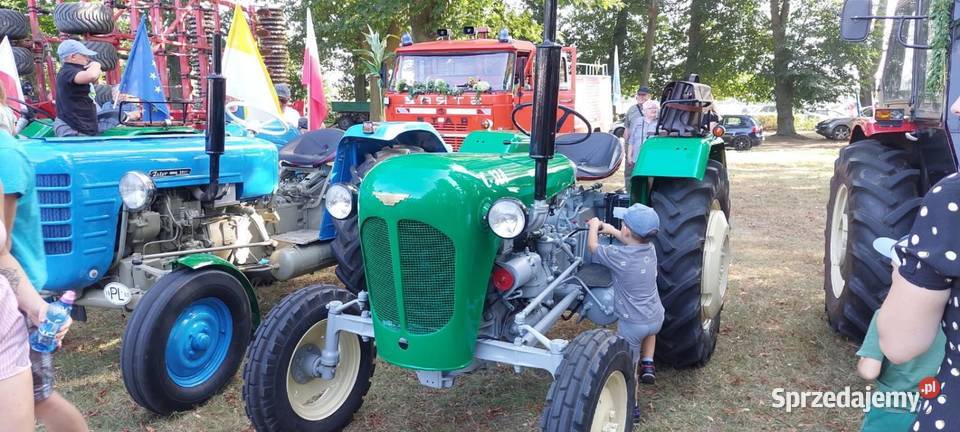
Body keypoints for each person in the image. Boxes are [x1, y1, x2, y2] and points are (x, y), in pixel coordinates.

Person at [0, 137, 88, 432]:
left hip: (11, 308)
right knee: (41, 398)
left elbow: (3, 249)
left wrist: (36, 308)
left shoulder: (6, 155)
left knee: (39, 398)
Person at [586, 203, 664, 423]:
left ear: (627, 230)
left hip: (632, 325)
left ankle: (633, 407)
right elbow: (630, 240)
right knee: (650, 330)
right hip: (655, 316)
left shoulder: (618, 256)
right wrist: (611, 230)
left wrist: (594, 226)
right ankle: (648, 362)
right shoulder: (650, 249)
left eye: (623, 225)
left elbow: (593, 247)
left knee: (629, 367)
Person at [857, 308, 944, 431]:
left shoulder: (887, 316)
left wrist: (862, 361)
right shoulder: (952, 325)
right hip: (933, 413)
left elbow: (869, 371)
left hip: (889, 410)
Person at [53, 40, 102, 137]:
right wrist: (97, 65)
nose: (88, 59)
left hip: (80, 127)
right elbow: (92, 75)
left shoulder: (70, 71)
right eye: (84, 55)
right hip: (73, 128)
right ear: (73, 57)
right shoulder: (68, 71)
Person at [622, 96, 660, 193]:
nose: (654, 110)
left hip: (652, 158)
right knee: (637, 181)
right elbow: (632, 140)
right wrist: (629, 156)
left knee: (651, 180)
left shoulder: (660, 124)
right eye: (651, 108)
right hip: (637, 157)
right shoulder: (638, 121)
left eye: (655, 108)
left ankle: (649, 201)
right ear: (644, 111)